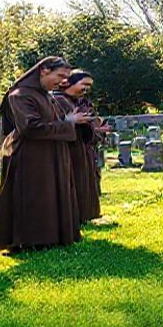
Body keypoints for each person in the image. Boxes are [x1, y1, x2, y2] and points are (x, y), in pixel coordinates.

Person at [0, 56, 93, 251]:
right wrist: (68, 123)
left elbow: (51, 122)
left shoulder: (47, 95)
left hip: (51, 153)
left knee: (51, 192)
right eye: (61, 76)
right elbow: (30, 128)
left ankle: (52, 237)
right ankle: (29, 240)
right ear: (44, 70)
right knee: (34, 195)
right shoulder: (20, 95)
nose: (64, 82)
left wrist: (69, 122)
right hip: (30, 157)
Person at [53, 70, 109, 225]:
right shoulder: (58, 100)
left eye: (89, 86)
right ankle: (74, 217)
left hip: (83, 148)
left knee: (86, 181)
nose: (86, 89)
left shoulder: (78, 101)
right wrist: (71, 121)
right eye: (84, 84)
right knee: (74, 180)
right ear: (69, 82)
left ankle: (87, 214)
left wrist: (95, 130)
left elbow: (89, 122)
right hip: (70, 149)